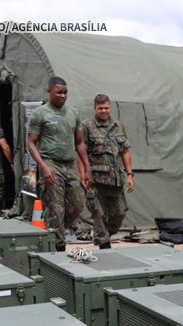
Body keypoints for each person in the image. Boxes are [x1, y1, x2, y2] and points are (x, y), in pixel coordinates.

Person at [27, 76, 92, 251]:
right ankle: (58, 248)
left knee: (77, 205)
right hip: (51, 164)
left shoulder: (73, 113)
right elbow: (31, 143)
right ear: (49, 91)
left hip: (69, 165)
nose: (63, 96)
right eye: (59, 92)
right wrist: (43, 166)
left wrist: (87, 168)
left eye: (65, 93)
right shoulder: (40, 114)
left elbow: (79, 143)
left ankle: (53, 231)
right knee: (56, 208)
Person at [77, 94, 134, 249]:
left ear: (110, 107)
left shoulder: (118, 125)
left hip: (116, 179)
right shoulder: (87, 126)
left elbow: (125, 151)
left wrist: (130, 174)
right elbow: (80, 152)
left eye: (106, 108)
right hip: (96, 180)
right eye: (100, 108)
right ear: (95, 108)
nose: (104, 111)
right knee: (98, 214)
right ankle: (104, 246)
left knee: (119, 213)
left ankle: (105, 235)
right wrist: (83, 176)